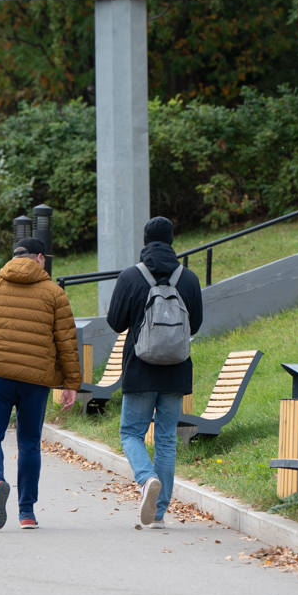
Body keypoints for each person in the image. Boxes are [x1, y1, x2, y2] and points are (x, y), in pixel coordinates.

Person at [0, 237, 81, 531]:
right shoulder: (54, 293)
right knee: (30, 443)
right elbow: (67, 341)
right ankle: (27, 513)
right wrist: (71, 382)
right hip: (37, 380)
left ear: (14, 258)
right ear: (39, 259)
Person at [106, 217, 203, 530]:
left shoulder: (131, 276)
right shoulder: (187, 278)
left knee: (131, 433)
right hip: (176, 369)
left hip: (140, 369)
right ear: (172, 240)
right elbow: (196, 324)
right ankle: (159, 514)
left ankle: (146, 479)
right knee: (165, 439)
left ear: (145, 240)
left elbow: (115, 322)